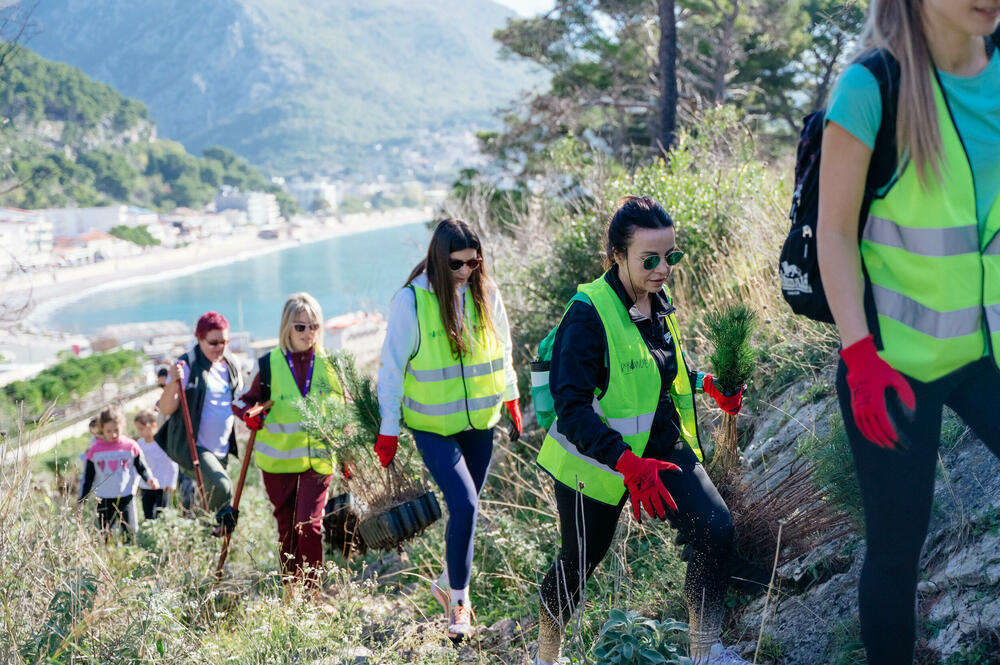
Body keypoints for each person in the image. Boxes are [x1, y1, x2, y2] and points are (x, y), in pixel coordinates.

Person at [817, 4, 1000, 663]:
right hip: (895, 363)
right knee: (897, 549)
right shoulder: (873, 87)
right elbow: (834, 233)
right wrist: (859, 355)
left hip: (989, 354)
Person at [533, 196, 749, 665]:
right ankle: (546, 655)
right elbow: (571, 408)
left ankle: (705, 652)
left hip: (660, 447)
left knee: (716, 531)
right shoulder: (587, 314)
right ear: (616, 255)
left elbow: (657, 374)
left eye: (671, 256)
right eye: (649, 259)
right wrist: (627, 464)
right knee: (578, 565)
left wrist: (706, 384)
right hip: (593, 460)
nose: (663, 268)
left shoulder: (657, 302)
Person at [376, 218, 521, 642]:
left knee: (468, 510)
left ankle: (446, 583)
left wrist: (511, 397)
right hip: (433, 427)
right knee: (465, 503)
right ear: (439, 260)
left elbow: (503, 349)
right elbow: (391, 370)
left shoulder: (484, 292)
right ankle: (460, 602)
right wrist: (388, 428)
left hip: (480, 422)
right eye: (457, 264)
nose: (466, 272)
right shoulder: (411, 301)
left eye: (474, 263)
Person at [233, 292, 345, 587]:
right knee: (287, 531)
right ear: (286, 328)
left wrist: (348, 456)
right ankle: (291, 593)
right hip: (278, 464)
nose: (308, 334)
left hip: (318, 461)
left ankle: (312, 597)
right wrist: (250, 414)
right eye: (300, 327)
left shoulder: (331, 364)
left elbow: (344, 413)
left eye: (314, 327)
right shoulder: (267, 365)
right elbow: (242, 401)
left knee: (308, 526)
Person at [156, 311, 243, 536]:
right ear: (200, 339)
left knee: (208, 499)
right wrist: (174, 381)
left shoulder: (230, 364)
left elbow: (237, 400)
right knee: (223, 487)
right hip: (194, 446)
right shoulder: (187, 365)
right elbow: (166, 408)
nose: (219, 347)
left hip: (221, 447)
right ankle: (217, 527)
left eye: (224, 342)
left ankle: (204, 540)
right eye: (213, 342)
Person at [78, 406, 159, 539]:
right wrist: (81, 500)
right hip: (103, 497)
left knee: (130, 531)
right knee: (106, 534)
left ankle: (130, 555)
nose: (113, 434)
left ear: (123, 426)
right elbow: (88, 477)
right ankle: (110, 558)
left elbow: (141, 467)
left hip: (126, 495)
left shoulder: (130, 446)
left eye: (116, 430)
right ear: (102, 429)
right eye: (108, 431)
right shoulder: (95, 451)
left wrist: (149, 479)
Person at [134, 409, 178, 520]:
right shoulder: (139, 444)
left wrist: (171, 482)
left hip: (162, 485)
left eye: (141, 429)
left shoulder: (163, 442)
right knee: (148, 514)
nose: (139, 432)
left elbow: (173, 463)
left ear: (153, 425)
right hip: (146, 485)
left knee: (162, 513)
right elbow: (137, 464)